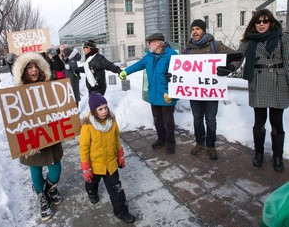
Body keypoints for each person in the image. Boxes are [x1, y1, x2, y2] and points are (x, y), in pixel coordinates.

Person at [225, 9, 289, 172]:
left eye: (265, 21)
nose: (261, 24)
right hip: (258, 81)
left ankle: (277, 157)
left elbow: (288, 61)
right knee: (259, 122)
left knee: (277, 122)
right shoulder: (248, 40)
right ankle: (259, 154)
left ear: (271, 22)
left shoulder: (283, 37)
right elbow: (239, 57)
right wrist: (230, 67)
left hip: (278, 81)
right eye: (258, 21)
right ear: (254, 23)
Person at [12, 52, 63, 221]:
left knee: (55, 169)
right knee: (36, 170)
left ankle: (50, 188)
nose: (33, 70)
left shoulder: (50, 86)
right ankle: (42, 197)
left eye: (36, 67)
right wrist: (27, 142)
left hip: (51, 135)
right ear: (23, 71)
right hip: (32, 139)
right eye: (29, 68)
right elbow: (15, 119)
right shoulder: (17, 93)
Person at [182, 19, 239, 160]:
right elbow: (179, 69)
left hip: (211, 92)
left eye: (198, 29)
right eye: (193, 29)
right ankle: (199, 143)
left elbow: (238, 56)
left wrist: (230, 67)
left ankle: (211, 146)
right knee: (197, 119)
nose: (195, 32)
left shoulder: (216, 45)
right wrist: (172, 75)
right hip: (194, 93)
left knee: (211, 120)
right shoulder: (187, 49)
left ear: (203, 30)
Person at [79, 92, 136, 224]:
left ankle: (121, 211)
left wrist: (120, 155)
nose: (104, 111)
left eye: (105, 107)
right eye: (100, 109)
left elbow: (116, 138)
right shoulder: (88, 127)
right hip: (95, 165)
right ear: (94, 111)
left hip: (110, 164)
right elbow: (83, 148)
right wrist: (86, 167)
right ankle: (92, 192)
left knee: (116, 190)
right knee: (91, 184)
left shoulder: (112, 122)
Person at [119, 33, 178, 153]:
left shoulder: (172, 55)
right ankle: (161, 139)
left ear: (158, 43)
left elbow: (180, 75)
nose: (148, 45)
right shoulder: (149, 56)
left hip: (167, 95)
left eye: (150, 42)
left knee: (168, 121)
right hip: (154, 94)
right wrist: (126, 72)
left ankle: (170, 142)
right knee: (157, 119)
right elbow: (138, 65)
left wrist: (170, 90)